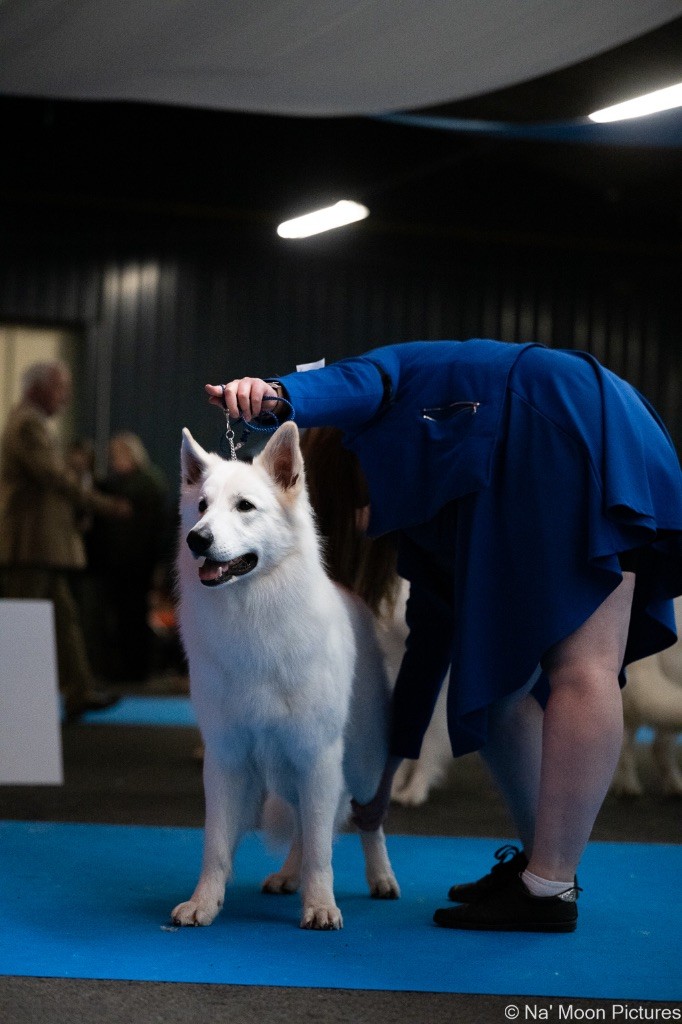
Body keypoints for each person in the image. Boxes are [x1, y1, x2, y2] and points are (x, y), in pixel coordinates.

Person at [207, 338, 682, 934]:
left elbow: (361, 381)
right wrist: (378, 787)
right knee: (502, 694)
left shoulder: (382, 396)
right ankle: (546, 875)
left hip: (551, 419)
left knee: (582, 666)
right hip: (613, 425)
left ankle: (549, 884)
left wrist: (278, 397)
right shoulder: (438, 515)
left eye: (358, 507)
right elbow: (428, 653)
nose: (366, 521)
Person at [0, 361, 128, 721]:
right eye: (59, 387)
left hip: (40, 545)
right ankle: (18, 707)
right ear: (35, 388)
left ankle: (78, 691)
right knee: (23, 625)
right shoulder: (27, 424)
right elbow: (55, 477)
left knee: (63, 620)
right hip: (30, 544)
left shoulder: (31, 422)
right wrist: (103, 505)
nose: (66, 396)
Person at [86, 431, 170, 683]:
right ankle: (132, 669)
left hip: (135, 563)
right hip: (129, 563)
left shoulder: (142, 485)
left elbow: (153, 529)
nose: (113, 460)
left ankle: (134, 670)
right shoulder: (140, 483)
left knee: (132, 617)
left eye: (117, 455)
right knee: (129, 617)